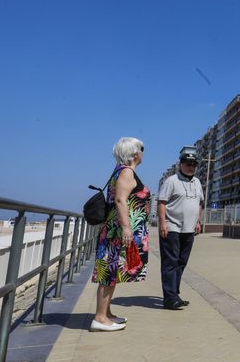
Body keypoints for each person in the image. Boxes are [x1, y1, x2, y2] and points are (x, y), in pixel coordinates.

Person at [90, 137, 150, 332]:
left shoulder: (121, 170)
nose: (143, 152)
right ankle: (99, 318)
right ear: (135, 153)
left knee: (112, 272)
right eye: (141, 149)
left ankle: (106, 313)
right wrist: (126, 227)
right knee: (108, 273)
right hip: (116, 233)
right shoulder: (126, 172)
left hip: (114, 231)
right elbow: (120, 200)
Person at [157, 150, 204, 310]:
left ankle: (174, 294)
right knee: (170, 262)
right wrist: (162, 223)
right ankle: (170, 298)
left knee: (181, 262)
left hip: (189, 228)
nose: (191, 167)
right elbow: (161, 203)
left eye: (194, 165)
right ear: (181, 164)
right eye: (188, 164)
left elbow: (200, 203)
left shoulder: (197, 182)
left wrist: (198, 221)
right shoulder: (171, 181)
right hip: (172, 227)